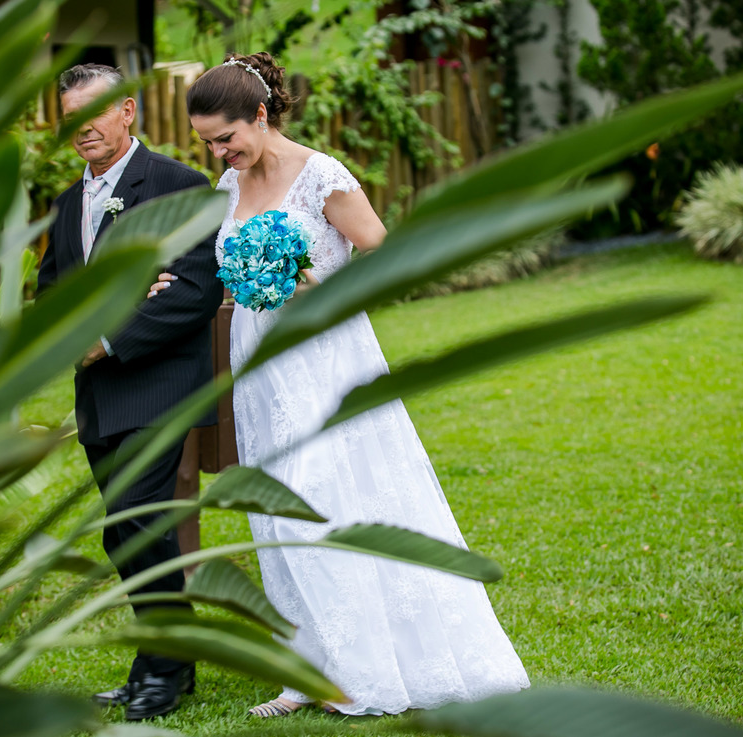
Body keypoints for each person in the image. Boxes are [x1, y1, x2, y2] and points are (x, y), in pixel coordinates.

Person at [145, 52, 530, 717]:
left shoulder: (321, 175)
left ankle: (368, 666)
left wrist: (311, 283)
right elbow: (213, 272)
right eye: (207, 141)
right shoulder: (226, 190)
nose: (218, 151)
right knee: (281, 506)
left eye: (226, 138)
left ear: (260, 115)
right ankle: (306, 669)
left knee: (336, 493)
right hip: (260, 363)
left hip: (326, 355)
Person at [36, 63, 223, 721]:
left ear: (126, 112)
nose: (82, 127)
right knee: (125, 531)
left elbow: (195, 292)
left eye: (95, 110)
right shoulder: (67, 203)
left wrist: (106, 338)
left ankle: (165, 669)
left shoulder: (179, 185)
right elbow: (52, 292)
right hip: (100, 396)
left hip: (160, 382)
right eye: (70, 115)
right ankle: (163, 654)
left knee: (140, 522)